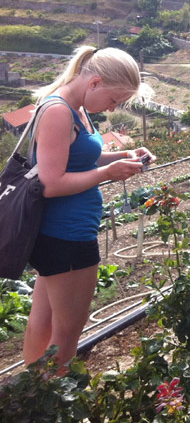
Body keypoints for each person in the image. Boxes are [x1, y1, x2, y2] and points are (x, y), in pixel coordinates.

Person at [23, 46, 153, 368]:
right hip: (66, 235)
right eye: (113, 99)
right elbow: (51, 183)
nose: (113, 107)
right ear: (95, 83)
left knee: (45, 322)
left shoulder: (74, 107)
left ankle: (32, 391)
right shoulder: (59, 111)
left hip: (62, 233)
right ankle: (55, 392)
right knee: (67, 332)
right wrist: (107, 174)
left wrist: (124, 156)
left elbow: (79, 157)